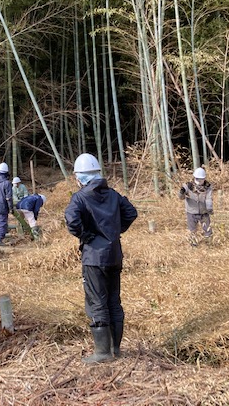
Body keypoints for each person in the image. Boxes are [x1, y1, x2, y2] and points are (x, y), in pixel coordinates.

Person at [64, 153, 138, 364]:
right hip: (114, 254)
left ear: (79, 177)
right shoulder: (113, 194)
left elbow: (71, 220)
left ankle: (103, 353)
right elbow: (131, 212)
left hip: (94, 257)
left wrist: (88, 237)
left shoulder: (80, 197)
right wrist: (114, 232)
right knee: (114, 301)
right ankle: (115, 349)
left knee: (97, 302)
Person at [178, 167, 214, 247]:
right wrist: (181, 192)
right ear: (194, 178)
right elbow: (181, 198)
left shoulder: (208, 187)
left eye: (201, 179)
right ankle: (193, 244)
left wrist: (209, 208)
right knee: (192, 229)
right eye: (197, 179)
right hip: (191, 211)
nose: (199, 181)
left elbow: (208, 198)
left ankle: (209, 244)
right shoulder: (187, 186)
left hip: (204, 212)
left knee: (207, 228)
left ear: (204, 179)